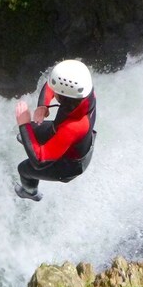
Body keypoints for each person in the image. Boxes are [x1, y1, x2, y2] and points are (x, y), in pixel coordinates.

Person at [14, 59, 97, 201]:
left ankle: (30, 192)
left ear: (62, 98)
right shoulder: (84, 92)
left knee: (24, 168)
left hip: (69, 165)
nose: (53, 92)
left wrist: (24, 124)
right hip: (64, 135)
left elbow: (39, 161)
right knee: (26, 135)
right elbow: (51, 87)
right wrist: (43, 105)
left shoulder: (74, 126)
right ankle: (32, 142)